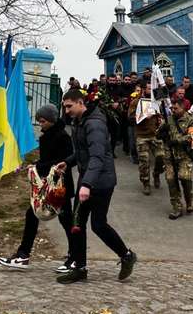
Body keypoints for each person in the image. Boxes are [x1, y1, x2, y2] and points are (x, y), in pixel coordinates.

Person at [55, 89, 137, 284]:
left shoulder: (95, 124)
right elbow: (84, 151)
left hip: (101, 182)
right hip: (89, 179)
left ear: (81, 102)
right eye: (64, 107)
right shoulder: (80, 121)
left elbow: (98, 157)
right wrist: (68, 162)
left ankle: (126, 255)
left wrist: (87, 184)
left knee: (98, 225)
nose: (66, 111)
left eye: (69, 106)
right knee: (77, 224)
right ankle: (80, 268)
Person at [0, 105, 76, 270]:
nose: (41, 124)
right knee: (32, 214)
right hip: (46, 186)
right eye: (40, 121)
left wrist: (38, 166)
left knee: (66, 220)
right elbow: (46, 160)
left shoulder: (62, 137)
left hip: (58, 187)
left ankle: (75, 256)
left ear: (52, 120)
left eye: (43, 121)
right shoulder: (47, 136)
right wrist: (35, 165)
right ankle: (23, 255)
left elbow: (62, 160)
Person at [158, 100, 193, 219]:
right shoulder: (168, 119)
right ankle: (177, 207)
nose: (173, 111)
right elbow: (158, 134)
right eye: (172, 109)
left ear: (183, 108)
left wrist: (177, 140)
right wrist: (161, 132)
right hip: (169, 156)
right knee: (171, 180)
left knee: (185, 178)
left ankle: (189, 200)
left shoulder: (191, 120)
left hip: (184, 156)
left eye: (175, 109)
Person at [128, 81, 164, 194]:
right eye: (149, 88)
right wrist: (143, 116)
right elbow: (130, 118)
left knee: (161, 157)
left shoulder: (155, 101)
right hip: (142, 136)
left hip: (155, 134)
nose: (151, 90)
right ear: (144, 89)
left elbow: (160, 114)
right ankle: (146, 183)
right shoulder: (136, 102)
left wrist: (160, 119)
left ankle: (156, 174)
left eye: (152, 88)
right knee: (144, 161)